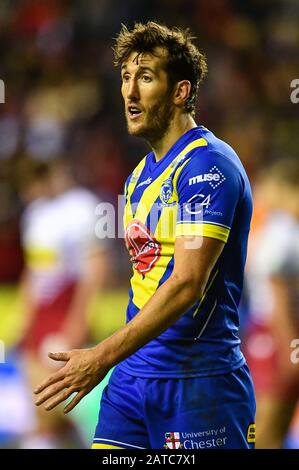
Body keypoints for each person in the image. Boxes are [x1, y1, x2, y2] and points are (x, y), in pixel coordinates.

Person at [34, 22, 256, 450]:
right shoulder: (138, 177)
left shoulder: (206, 168)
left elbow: (188, 283)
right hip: (132, 383)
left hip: (197, 385)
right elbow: (147, 276)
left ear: (179, 91)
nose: (130, 92)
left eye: (146, 77)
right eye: (125, 77)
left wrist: (101, 355)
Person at [18, 158, 109, 448]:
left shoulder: (81, 206)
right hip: (41, 312)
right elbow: (33, 272)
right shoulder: (34, 213)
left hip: (64, 307)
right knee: (36, 396)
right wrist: (22, 318)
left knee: (51, 395)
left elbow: (96, 267)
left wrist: (77, 320)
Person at [245, 158, 299, 448]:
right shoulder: (283, 231)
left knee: (276, 424)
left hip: (276, 330)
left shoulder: (278, 229)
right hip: (275, 332)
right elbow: (277, 294)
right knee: (268, 422)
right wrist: (289, 343)